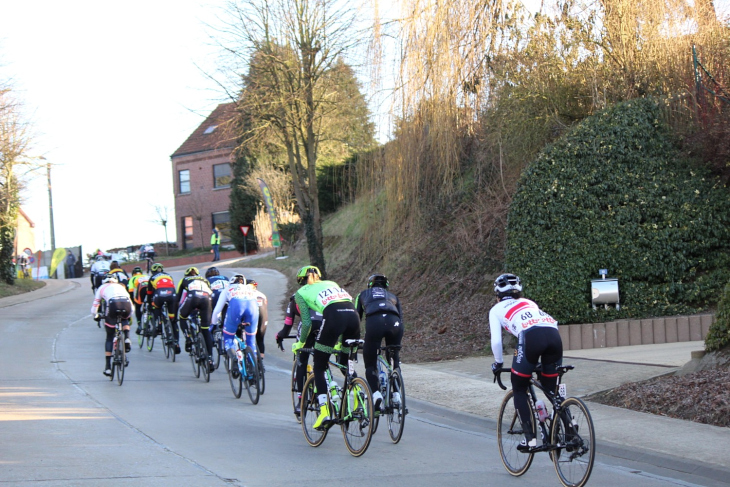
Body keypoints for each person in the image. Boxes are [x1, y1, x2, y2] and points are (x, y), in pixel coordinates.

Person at [489, 273, 562, 452]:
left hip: (531, 337)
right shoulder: (530, 303)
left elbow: (497, 342)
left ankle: (530, 439)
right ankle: (567, 424)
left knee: (519, 385)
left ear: (498, 295)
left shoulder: (496, 310)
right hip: (554, 335)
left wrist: (498, 363)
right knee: (551, 387)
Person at [290, 265, 360, 430]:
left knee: (319, 366)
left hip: (334, 317)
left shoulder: (300, 293)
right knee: (345, 363)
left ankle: (324, 412)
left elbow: (306, 322)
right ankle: (360, 397)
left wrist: (300, 343)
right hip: (354, 316)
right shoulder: (332, 283)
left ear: (301, 281)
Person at [355, 273, 403, 412]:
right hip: (394, 324)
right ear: (386, 286)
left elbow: (356, 318)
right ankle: (396, 394)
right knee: (394, 359)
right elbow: (401, 320)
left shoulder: (363, 294)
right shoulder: (393, 296)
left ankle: (376, 395)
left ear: (370, 285)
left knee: (369, 363)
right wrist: (397, 345)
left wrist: (356, 340)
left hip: (375, 323)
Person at [275, 287, 323, 418]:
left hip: (308, 325)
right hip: (325, 324)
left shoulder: (295, 299)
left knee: (301, 360)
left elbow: (287, 326)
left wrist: (280, 336)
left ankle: (301, 400)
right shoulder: (318, 296)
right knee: (322, 359)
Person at [212, 274, 259, 377]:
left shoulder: (228, 288)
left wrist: (213, 324)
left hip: (236, 306)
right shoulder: (249, 288)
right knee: (251, 340)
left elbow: (217, 311)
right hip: (253, 308)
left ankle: (233, 357)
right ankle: (253, 368)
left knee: (228, 337)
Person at [91, 273, 133, 376]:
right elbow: (132, 307)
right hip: (127, 304)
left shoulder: (102, 287)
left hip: (113, 304)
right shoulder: (121, 286)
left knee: (109, 337)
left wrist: (96, 316)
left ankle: (108, 367)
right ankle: (127, 337)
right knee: (125, 319)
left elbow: (95, 306)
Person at [176, 266, 215, 372]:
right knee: (205, 329)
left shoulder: (184, 280)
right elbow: (211, 293)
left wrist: (174, 315)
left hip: (192, 298)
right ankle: (210, 359)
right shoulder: (204, 280)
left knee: (182, 317)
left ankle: (188, 339)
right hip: (207, 299)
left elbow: (178, 298)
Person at [146, 263, 180, 354]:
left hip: (160, 295)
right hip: (172, 295)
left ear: (152, 271)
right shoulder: (169, 275)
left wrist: (150, 305)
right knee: (173, 320)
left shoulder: (152, 278)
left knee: (155, 306)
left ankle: (158, 325)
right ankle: (176, 343)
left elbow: (149, 294)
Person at [247, 279, 269, 361]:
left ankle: (249, 358)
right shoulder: (262, 295)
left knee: (248, 337)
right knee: (260, 339)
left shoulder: (246, 294)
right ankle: (261, 361)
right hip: (264, 318)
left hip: (252, 317)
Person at [127, 267, 148, 335]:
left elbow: (131, 292)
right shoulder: (146, 276)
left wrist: (132, 303)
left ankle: (139, 325)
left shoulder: (132, 279)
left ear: (133, 273)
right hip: (150, 287)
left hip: (141, 288)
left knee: (138, 306)